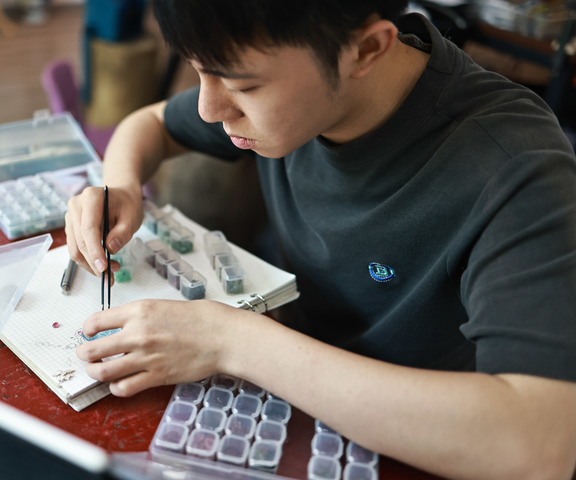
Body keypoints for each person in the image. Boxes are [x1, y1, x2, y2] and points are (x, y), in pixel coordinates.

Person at [65, 1, 576, 478]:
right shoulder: (296, 87)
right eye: (199, 70)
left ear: (366, 50)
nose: (209, 109)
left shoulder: (515, 166)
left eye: (244, 87)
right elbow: (150, 123)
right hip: (294, 407)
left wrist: (228, 341)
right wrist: (120, 186)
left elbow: (541, 444)